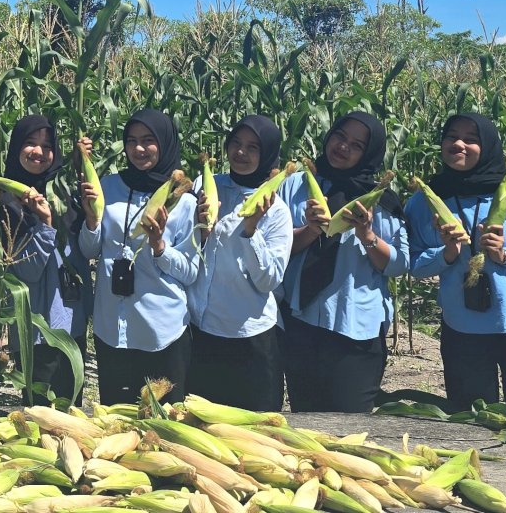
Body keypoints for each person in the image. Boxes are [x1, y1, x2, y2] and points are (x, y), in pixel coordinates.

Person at [409, 112, 506, 410]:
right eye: (451, 137)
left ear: (488, 146)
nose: (459, 144)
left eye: (471, 139)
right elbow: (414, 263)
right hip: (463, 326)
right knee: (473, 417)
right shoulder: (423, 202)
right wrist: (446, 253)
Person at [277, 112, 409, 412]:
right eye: (339, 136)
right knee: (306, 421)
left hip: (355, 329)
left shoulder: (380, 199)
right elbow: (277, 251)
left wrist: (367, 235)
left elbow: (399, 264)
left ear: (370, 153)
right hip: (301, 322)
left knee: (349, 425)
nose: (343, 147)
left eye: (356, 145)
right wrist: (310, 230)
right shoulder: (295, 185)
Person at [80, 110, 200, 406]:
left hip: (162, 332)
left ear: (165, 143)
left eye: (148, 140)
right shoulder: (107, 187)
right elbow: (89, 251)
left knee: (164, 428)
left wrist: (159, 246)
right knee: (116, 426)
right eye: (131, 141)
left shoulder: (183, 201)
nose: (139, 149)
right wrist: (92, 221)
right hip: (111, 331)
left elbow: (191, 272)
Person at [188, 114, 292, 411]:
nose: (241, 153)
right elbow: (189, 247)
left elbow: (269, 280)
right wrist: (199, 226)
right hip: (202, 331)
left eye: (252, 147)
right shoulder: (205, 186)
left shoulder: (276, 211)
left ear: (268, 153)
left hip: (249, 338)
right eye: (235, 143)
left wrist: (251, 230)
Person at [0, 114, 90, 406]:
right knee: (41, 415)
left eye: (47, 146)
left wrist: (83, 165)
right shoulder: (3, 200)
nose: (39, 152)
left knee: (72, 412)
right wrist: (45, 223)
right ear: (15, 149)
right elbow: (28, 271)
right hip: (36, 329)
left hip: (72, 324)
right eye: (30, 144)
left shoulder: (66, 191)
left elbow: (88, 247)